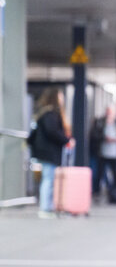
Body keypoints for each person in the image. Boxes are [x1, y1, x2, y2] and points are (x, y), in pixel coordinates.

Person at [30, 88, 73, 219]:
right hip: (48, 152)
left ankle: (47, 207)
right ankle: (45, 208)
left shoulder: (44, 113)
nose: (62, 99)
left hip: (44, 151)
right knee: (48, 179)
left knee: (47, 179)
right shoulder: (51, 114)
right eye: (60, 96)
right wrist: (66, 140)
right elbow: (52, 132)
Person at [96, 107, 116, 198]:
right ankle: (97, 192)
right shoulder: (100, 122)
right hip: (103, 153)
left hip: (115, 153)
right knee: (100, 174)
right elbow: (95, 135)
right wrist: (105, 138)